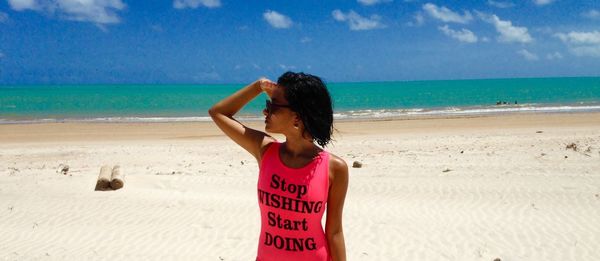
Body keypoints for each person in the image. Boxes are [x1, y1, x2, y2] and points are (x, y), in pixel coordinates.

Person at [208, 71, 348, 261]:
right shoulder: (265, 150)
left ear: (297, 118)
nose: (265, 111)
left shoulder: (334, 168)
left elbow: (335, 232)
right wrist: (258, 87)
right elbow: (218, 112)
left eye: (271, 106)